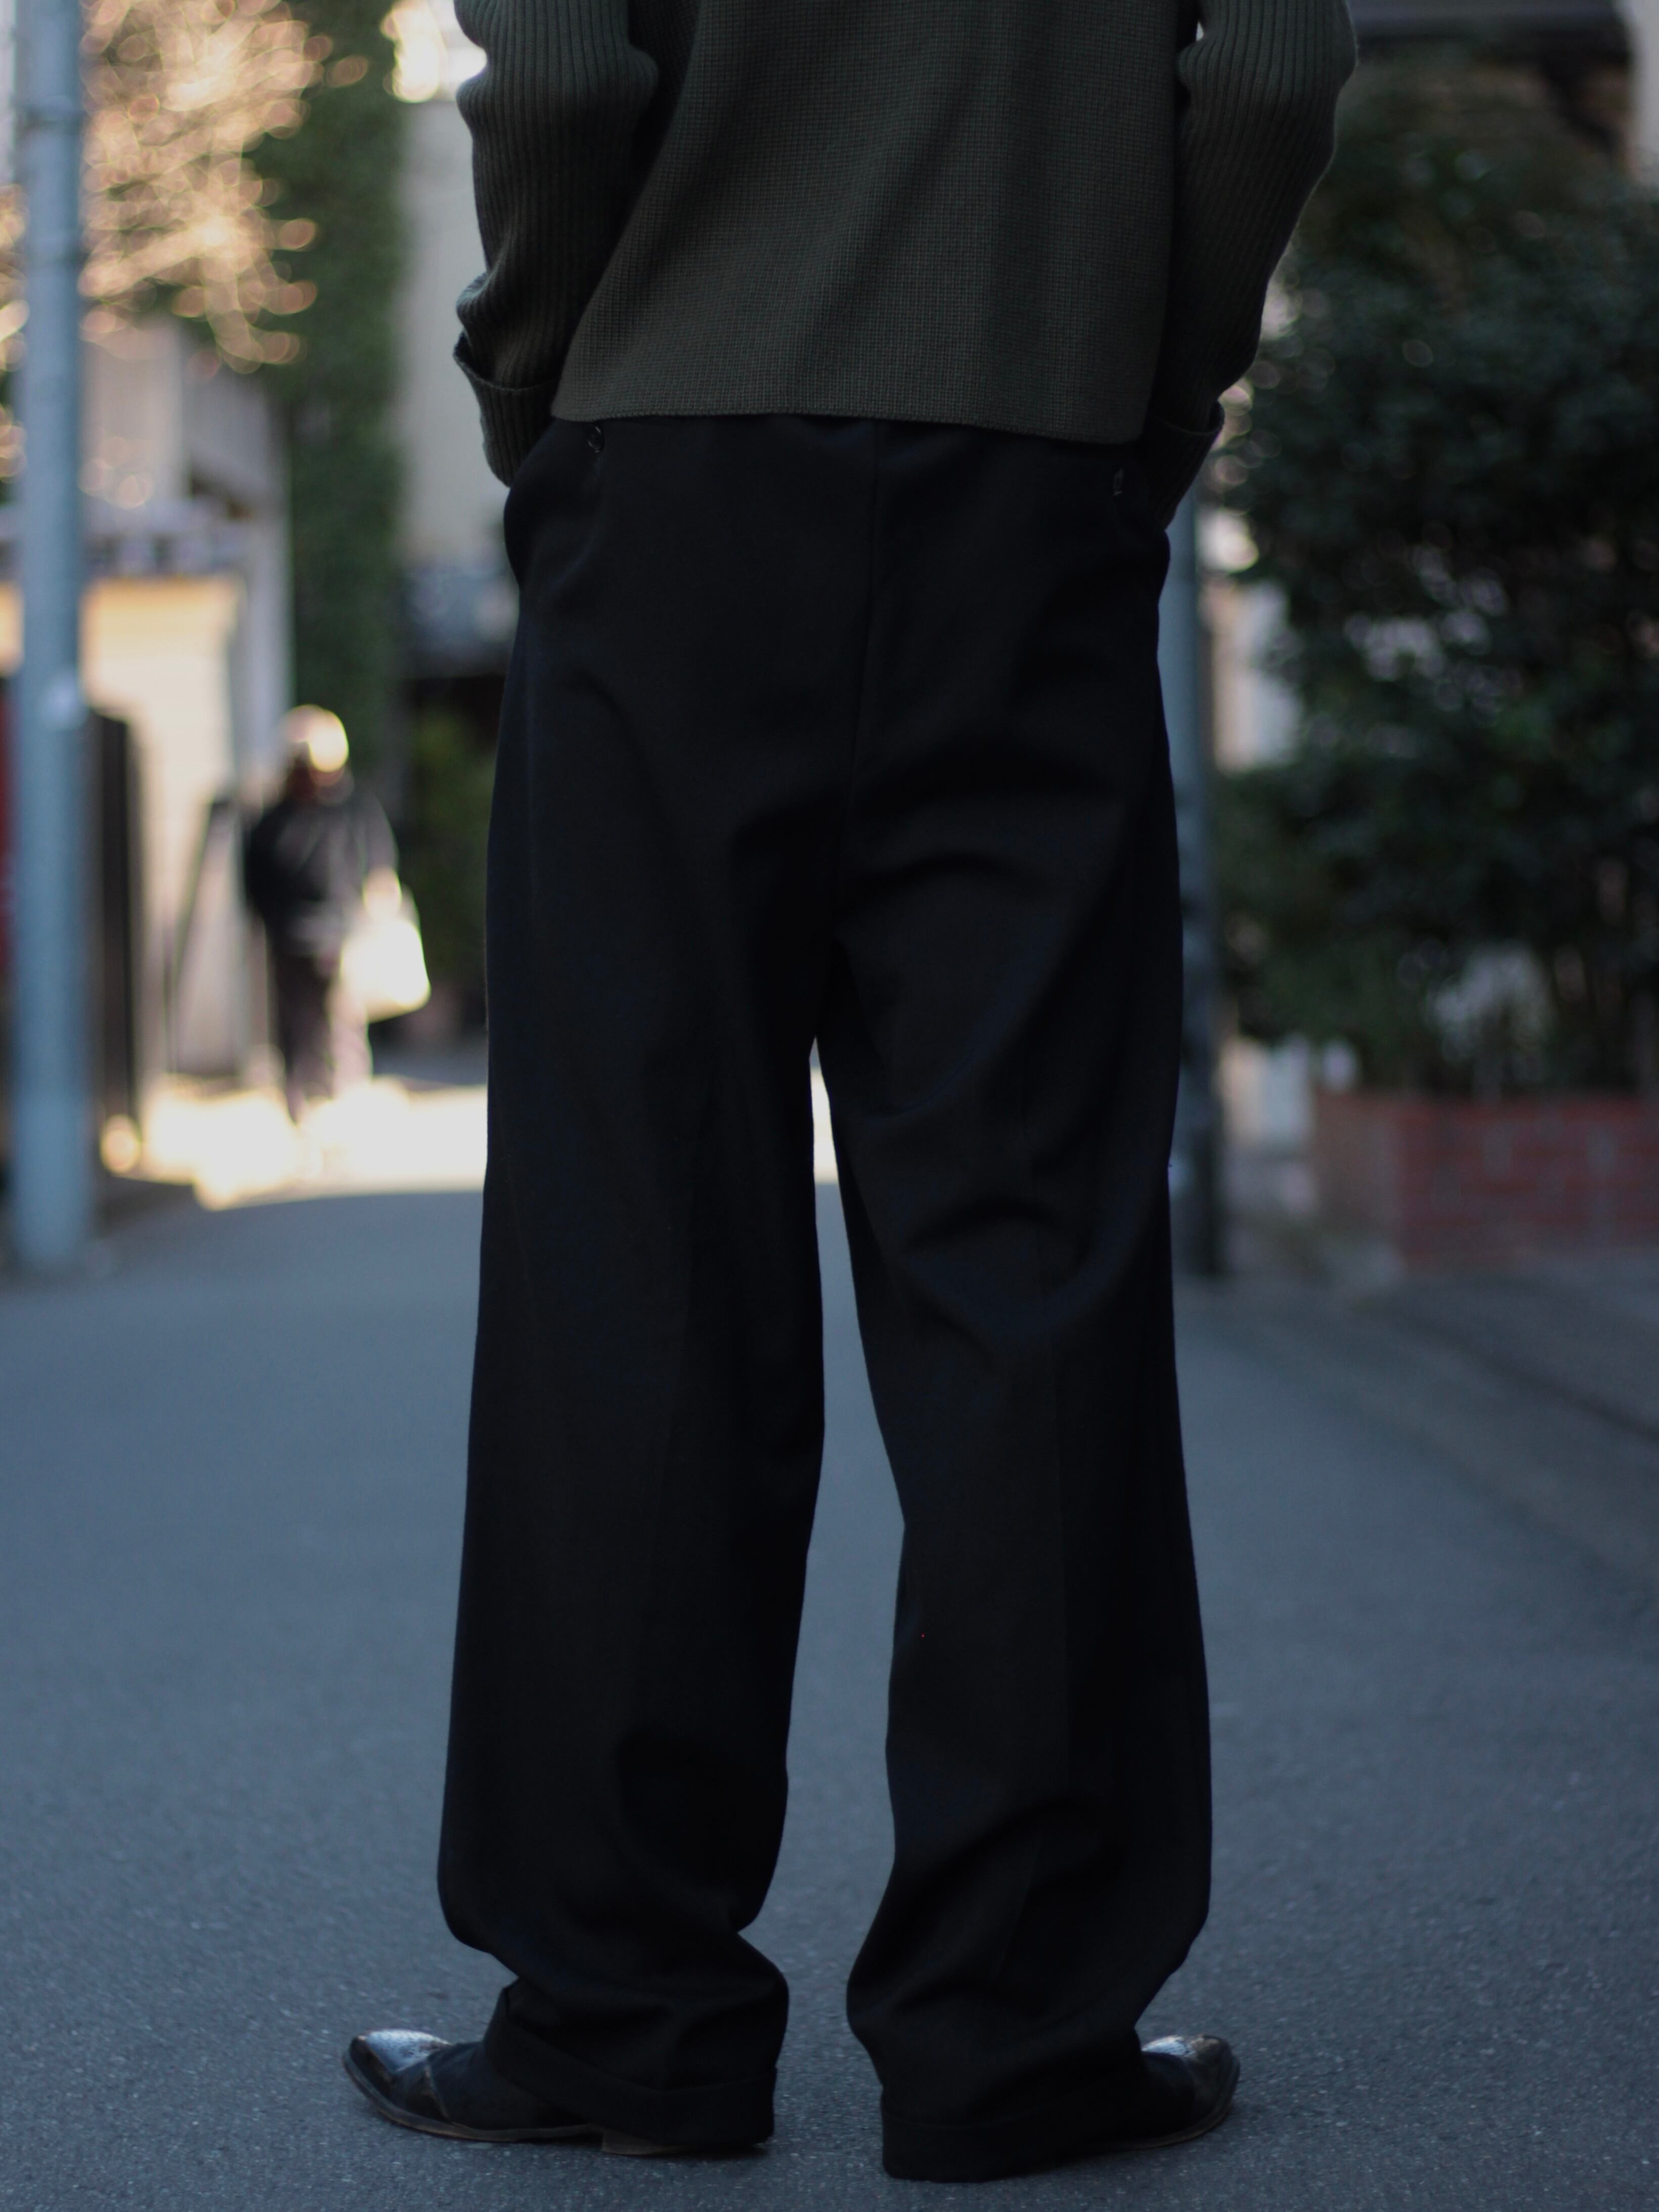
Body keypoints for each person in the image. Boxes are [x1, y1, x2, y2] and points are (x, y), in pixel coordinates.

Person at [344, 0, 1354, 2183]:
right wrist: (1139, 390)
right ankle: (1020, 2030)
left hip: (664, 490)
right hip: (1034, 492)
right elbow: (1273, 66)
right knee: (1027, 1263)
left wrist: (542, 388)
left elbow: (565, 79)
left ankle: (623, 2014)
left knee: (638, 1259)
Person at [243, 707, 400, 1122]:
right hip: (290, 938)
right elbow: (256, 883)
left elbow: (379, 866)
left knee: (340, 1026)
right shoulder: (274, 822)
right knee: (297, 1028)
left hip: (340, 935)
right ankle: (302, 1105)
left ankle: (340, 1099)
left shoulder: (353, 811)